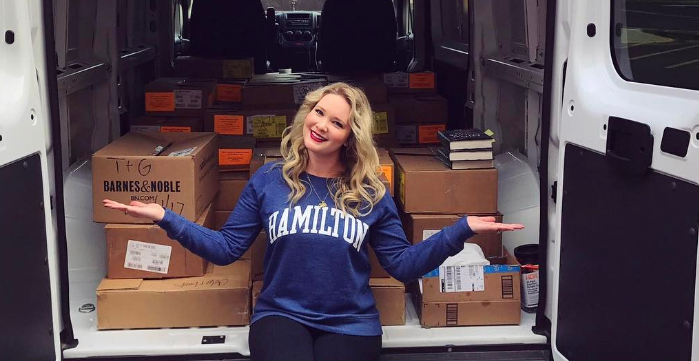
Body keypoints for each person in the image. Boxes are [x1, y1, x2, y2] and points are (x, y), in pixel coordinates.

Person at [103, 82, 524, 361]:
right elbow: (226, 248)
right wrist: (164, 216)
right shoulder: (269, 180)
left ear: (350, 136)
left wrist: (460, 229)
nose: (321, 125)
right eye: (318, 112)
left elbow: (401, 265)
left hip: (351, 322)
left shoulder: (371, 193)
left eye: (336, 122)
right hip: (281, 315)